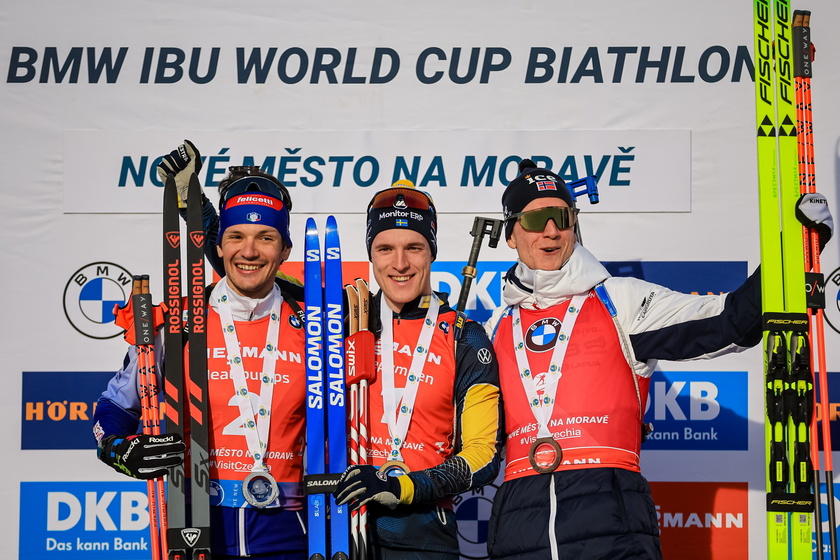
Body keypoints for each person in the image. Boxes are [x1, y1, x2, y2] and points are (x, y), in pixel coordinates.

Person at [484, 159, 834, 560]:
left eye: (562, 217)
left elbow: (730, 322)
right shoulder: (496, 327)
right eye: (536, 219)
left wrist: (797, 246)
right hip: (519, 526)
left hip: (610, 521)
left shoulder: (619, 301)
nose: (550, 230)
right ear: (511, 233)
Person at [93, 161, 308, 560]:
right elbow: (115, 407)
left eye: (266, 237)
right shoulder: (177, 322)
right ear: (220, 244)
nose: (249, 251)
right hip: (195, 524)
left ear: (285, 250)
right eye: (236, 236)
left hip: (289, 532)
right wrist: (121, 450)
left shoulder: (314, 323)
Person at [333, 182, 504, 559]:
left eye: (414, 247)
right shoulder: (338, 324)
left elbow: (484, 455)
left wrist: (406, 487)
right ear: (371, 255)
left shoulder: (466, 339)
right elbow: (259, 283)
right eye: (385, 249)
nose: (399, 263)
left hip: (426, 536)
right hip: (337, 532)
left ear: (432, 253)